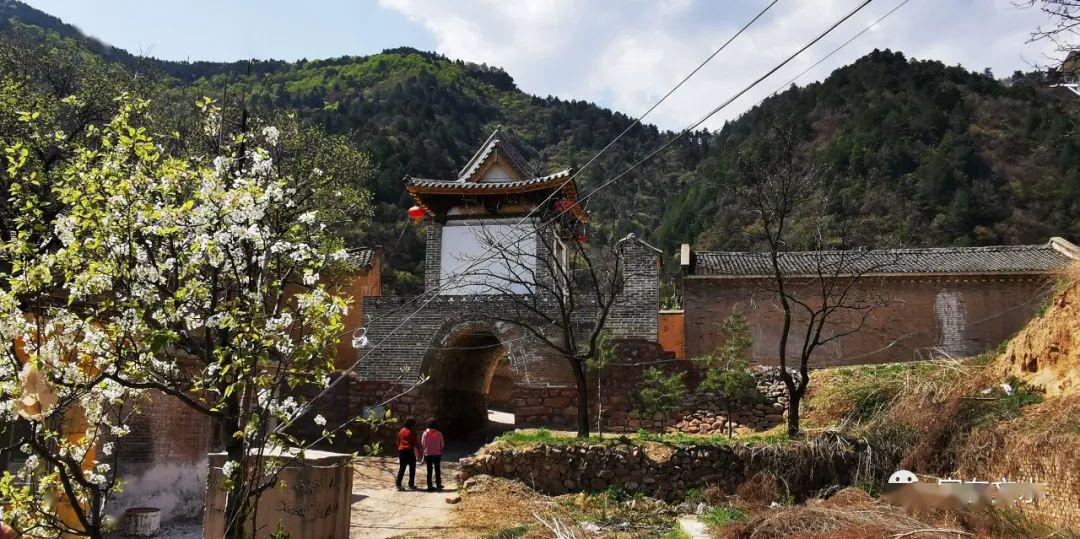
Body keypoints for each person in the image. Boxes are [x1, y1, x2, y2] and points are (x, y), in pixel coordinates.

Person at [421, 418, 445, 491]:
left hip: (428, 455)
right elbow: (442, 444)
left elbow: (423, 444)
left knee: (429, 471)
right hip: (437, 454)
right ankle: (438, 484)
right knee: (437, 470)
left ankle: (429, 486)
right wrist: (439, 449)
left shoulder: (425, 433)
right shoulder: (439, 433)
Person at [395, 417, 418, 491]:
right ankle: (411, 484)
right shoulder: (413, 431)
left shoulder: (402, 430)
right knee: (412, 468)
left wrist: (399, 448)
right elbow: (415, 442)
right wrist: (419, 448)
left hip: (402, 451)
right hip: (409, 451)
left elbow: (398, 441)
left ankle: (398, 484)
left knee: (402, 468)